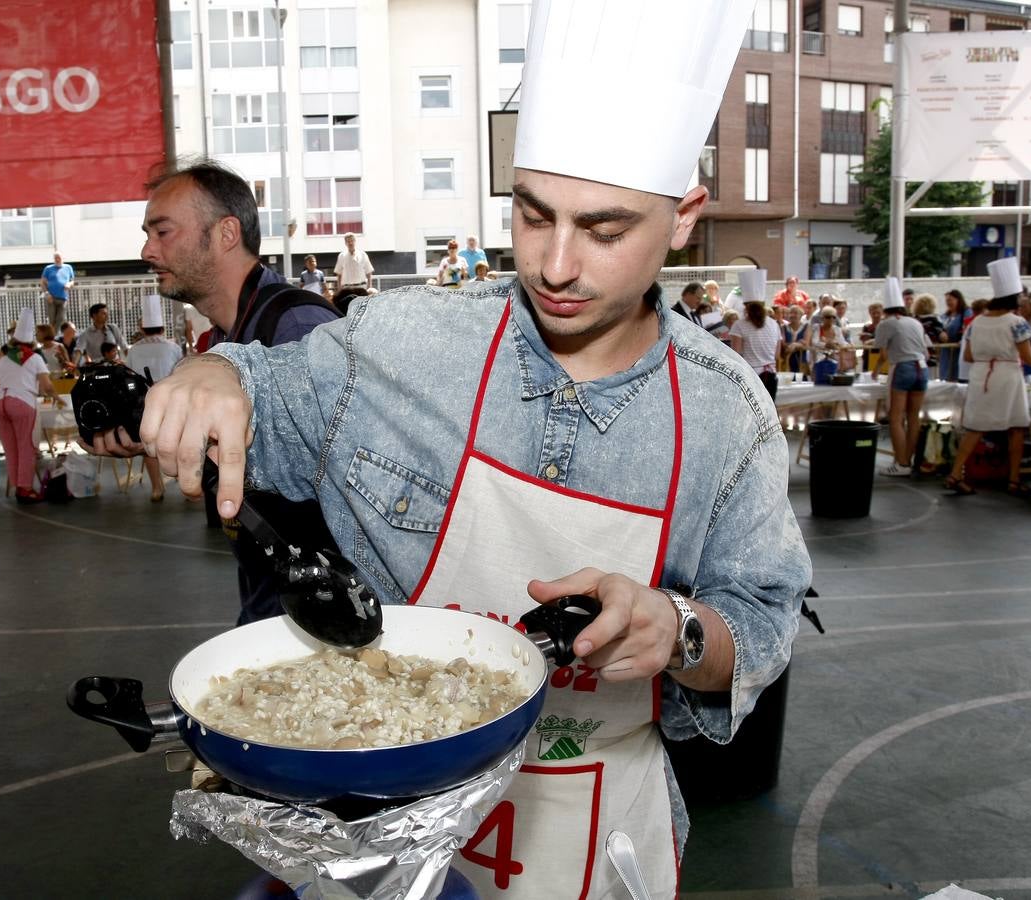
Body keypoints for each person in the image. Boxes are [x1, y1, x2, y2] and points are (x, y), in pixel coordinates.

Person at [96, 4, 808, 894]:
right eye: (533, 214)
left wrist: (681, 627)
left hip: (595, 821)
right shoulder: (404, 344)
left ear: (685, 217)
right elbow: (273, 401)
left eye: (605, 230)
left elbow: (764, 619)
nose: (554, 264)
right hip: (379, 810)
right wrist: (227, 379)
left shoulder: (723, 411)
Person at [119, 157, 341, 618]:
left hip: (316, 608)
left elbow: (331, 472)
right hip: (270, 590)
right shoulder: (226, 334)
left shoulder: (296, 324)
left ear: (225, 233)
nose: (147, 249)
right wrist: (145, 433)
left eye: (162, 232)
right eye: (147, 234)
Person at [944, 258, 1031, 496]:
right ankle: (1013, 480)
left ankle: (955, 473)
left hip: (981, 376)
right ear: (1013, 299)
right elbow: (1030, 358)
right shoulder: (1017, 323)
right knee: (1016, 427)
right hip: (1008, 376)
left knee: (975, 427)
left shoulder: (976, 322)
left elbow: (970, 356)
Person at [0, 309, 64, 504]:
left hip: (0, 404)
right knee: (27, 447)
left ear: (13, 342)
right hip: (22, 403)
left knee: (11, 448)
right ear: (31, 342)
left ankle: (16, 486)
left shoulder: (3, 360)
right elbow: (46, 386)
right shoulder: (35, 358)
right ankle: (26, 489)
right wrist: (57, 397)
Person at [127, 294, 186, 501]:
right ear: (162, 328)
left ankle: (157, 488)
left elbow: (130, 375)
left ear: (143, 329)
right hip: (170, 402)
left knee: (147, 446)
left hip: (142, 403)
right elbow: (181, 374)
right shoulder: (173, 347)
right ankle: (187, 487)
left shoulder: (134, 350)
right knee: (177, 443)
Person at [872, 278, 932, 477]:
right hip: (921, 368)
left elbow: (879, 346)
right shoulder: (915, 322)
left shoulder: (887, 323)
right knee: (914, 417)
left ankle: (901, 463)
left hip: (903, 367)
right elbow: (927, 350)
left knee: (896, 417)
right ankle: (908, 460)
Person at [730, 270, 783, 400]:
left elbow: (735, 354)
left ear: (745, 306)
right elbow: (777, 354)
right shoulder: (774, 324)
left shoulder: (739, 325)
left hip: (751, 375)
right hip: (771, 374)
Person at [806, 305, 849, 381]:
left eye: (833, 317)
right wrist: (826, 344)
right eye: (828, 317)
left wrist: (846, 345)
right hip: (818, 360)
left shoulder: (837, 329)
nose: (831, 319)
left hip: (835, 361)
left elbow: (842, 343)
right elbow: (815, 342)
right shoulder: (817, 328)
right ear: (823, 318)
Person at [40, 252, 75, 333]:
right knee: (52, 320)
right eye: (56, 258)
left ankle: (53, 336)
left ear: (63, 258)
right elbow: (42, 282)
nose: (57, 259)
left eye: (59, 258)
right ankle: (53, 336)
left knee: (61, 319)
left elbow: (72, 281)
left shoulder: (68, 267)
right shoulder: (48, 268)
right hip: (51, 298)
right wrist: (47, 293)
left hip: (63, 298)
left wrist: (69, 284)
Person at [939, 289, 967, 382]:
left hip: (959, 350)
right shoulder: (945, 316)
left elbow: (967, 327)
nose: (948, 303)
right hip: (946, 351)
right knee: (946, 376)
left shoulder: (966, 312)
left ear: (958, 300)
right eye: (947, 301)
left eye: (950, 300)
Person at [782, 305, 809, 375]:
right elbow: (783, 344)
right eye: (790, 313)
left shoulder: (806, 327)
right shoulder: (784, 327)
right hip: (787, 361)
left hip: (801, 361)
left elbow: (806, 345)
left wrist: (794, 345)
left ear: (801, 315)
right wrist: (799, 344)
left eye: (795, 313)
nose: (792, 315)